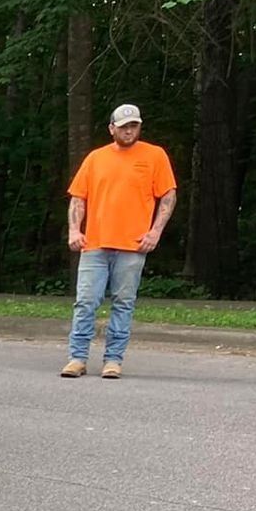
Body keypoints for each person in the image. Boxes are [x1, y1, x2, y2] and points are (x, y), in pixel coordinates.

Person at [61, 104, 177, 379]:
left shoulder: (155, 155)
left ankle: (113, 360)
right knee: (86, 302)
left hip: (133, 245)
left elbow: (168, 196)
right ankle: (77, 358)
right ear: (111, 129)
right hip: (95, 243)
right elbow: (78, 198)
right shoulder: (95, 158)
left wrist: (155, 232)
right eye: (124, 126)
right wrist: (74, 230)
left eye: (134, 126)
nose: (129, 131)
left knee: (123, 303)